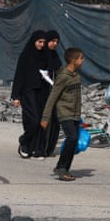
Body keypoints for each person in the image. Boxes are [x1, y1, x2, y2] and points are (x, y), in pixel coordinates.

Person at [41, 47, 84, 181]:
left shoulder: (76, 76)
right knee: (71, 138)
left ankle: (62, 166)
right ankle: (62, 169)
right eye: (81, 58)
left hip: (75, 113)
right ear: (73, 60)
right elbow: (52, 97)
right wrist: (45, 117)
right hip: (64, 112)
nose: (83, 61)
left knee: (74, 139)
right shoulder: (63, 77)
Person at [11, 30, 49, 159]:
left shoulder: (45, 56)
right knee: (34, 120)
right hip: (27, 92)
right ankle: (24, 140)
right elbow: (19, 76)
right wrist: (15, 96)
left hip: (41, 92)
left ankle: (36, 148)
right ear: (34, 41)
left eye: (44, 42)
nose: (42, 45)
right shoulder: (26, 55)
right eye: (39, 42)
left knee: (41, 121)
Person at [44, 30, 62, 157]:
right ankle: (41, 147)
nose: (54, 44)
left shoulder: (55, 55)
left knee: (55, 121)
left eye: (56, 42)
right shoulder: (40, 55)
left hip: (54, 92)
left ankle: (49, 148)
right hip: (43, 93)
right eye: (52, 41)